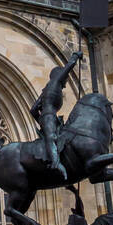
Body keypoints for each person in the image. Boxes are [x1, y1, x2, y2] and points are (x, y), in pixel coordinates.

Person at [30, 50, 84, 179]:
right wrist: (75, 56)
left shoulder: (46, 90)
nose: (65, 84)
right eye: (65, 80)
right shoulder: (55, 82)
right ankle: (55, 163)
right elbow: (68, 67)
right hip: (49, 116)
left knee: (57, 137)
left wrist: (41, 122)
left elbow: (33, 110)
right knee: (51, 138)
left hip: (48, 117)